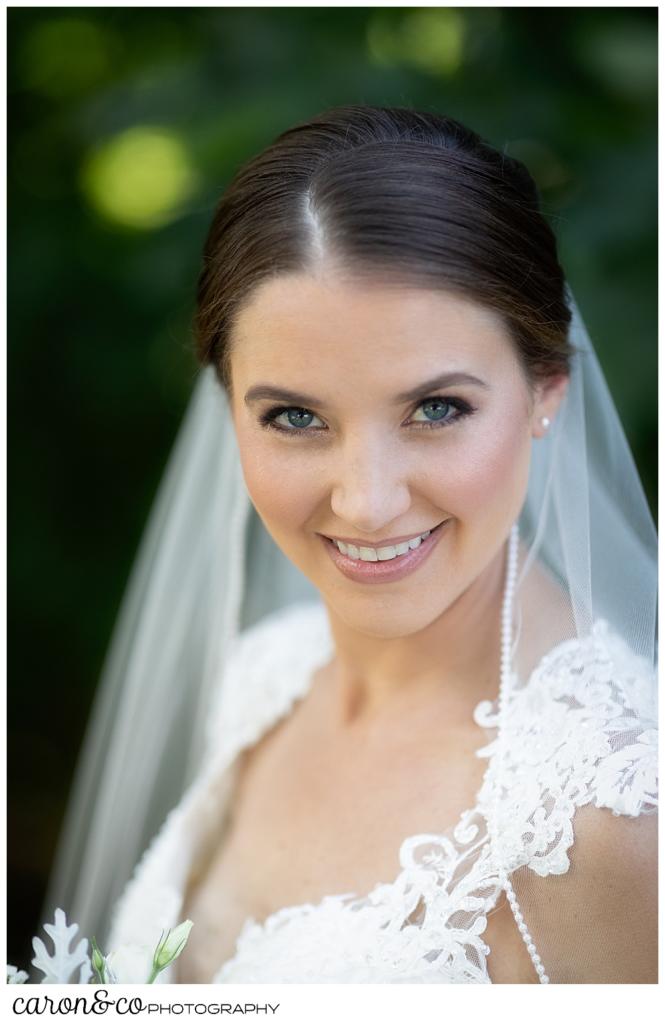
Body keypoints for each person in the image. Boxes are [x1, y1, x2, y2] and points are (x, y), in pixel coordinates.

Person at [42, 105, 657, 984]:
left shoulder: (609, 817)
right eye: (294, 417)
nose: (366, 503)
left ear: (545, 389)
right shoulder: (267, 676)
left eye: (436, 409)